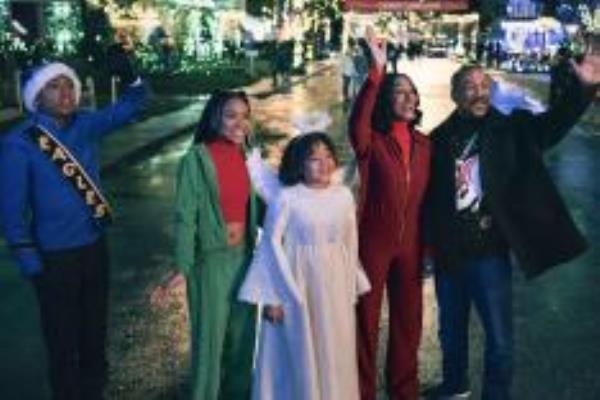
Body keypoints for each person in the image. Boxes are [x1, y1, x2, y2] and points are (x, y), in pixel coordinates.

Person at [424, 52, 599, 400]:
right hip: (450, 254)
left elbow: (554, 123)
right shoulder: (437, 139)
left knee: (500, 339)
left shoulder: (513, 128)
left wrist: (585, 86)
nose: (479, 93)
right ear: (455, 95)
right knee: (450, 333)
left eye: (484, 85)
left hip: (489, 253)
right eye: (469, 87)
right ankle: (455, 385)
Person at [0, 44, 146, 399]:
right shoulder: (19, 143)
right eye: (55, 86)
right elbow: (10, 210)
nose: (65, 93)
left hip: (94, 247)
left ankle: (94, 388)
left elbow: (131, 106)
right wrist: (31, 262)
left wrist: (131, 75)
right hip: (53, 257)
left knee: (94, 327)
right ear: (37, 97)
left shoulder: (86, 125)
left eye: (70, 86)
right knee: (61, 336)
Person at [238, 132, 370, 400]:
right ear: (299, 164)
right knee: (300, 349)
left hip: (334, 284)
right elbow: (270, 245)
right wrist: (273, 296)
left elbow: (350, 241)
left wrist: (349, 286)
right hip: (296, 285)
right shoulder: (288, 198)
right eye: (314, 159)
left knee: (333, 346)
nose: (324, 163)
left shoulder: (343, 195)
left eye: (328, 156)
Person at [152, 90, 259, 400]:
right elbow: (185, 217)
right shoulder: (196, 160)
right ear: (214, 118)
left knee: (242, 340)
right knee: (209, 344)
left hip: (244, 258)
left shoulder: (249, 156)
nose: (239, 123)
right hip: (210, 262)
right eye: (230, 115)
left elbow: (262, 204)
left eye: (244, 115)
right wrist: (183, 267)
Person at [349, 35, 432, 400]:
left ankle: (404, 391)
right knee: (364, 322)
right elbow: (357, 124)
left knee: (408, 324)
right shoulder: (372, 142)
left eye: (411, 92)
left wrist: (430, 249)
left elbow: (431, 202)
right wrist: (377, 73)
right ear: (386, 99)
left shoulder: (427, 146)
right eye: (399, 91)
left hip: (412, 245)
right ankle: (362, 391)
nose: (408, 96)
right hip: (372, 243)